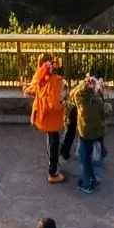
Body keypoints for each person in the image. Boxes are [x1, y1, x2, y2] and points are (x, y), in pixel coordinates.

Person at [24, 53, 67, 181]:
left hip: (43, 116)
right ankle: (53, 173)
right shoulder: (57, 81)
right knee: (55, 143)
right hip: (53, 117)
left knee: (50, 142)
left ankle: (52, 165)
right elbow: (57, 102)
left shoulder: (40, 77)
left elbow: (32, 90)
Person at [69, 68, 107, 191]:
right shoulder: (99, 100)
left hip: (86, 133)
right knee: (94, 156)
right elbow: (106, 111)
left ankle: (87, 183)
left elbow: (72, 95)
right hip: (98, 132)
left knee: (84, 158)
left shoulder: (83, 100)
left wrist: (84, 84)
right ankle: (93, 177)